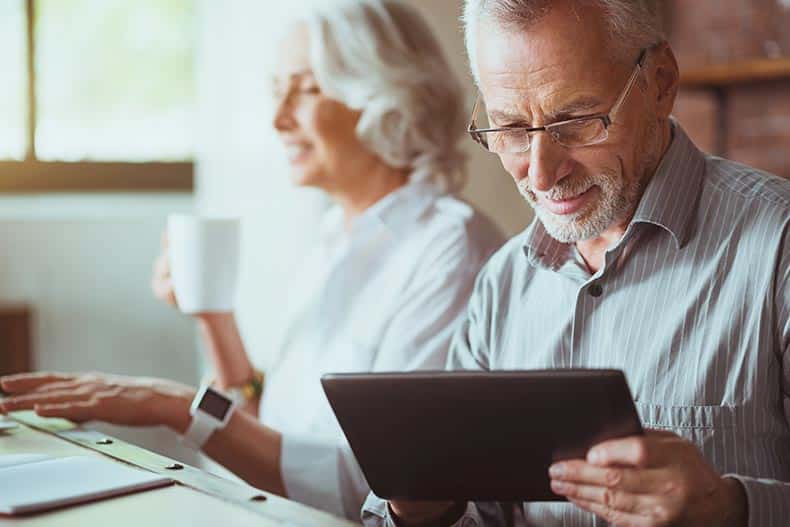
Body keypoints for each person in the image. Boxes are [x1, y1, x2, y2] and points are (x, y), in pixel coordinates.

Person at [0, 0, 503, 520]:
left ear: (387, 96)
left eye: (306, 88)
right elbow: (271, 428)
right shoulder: (336, 234)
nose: (278, 118)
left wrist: (171, 406)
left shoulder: (450, 251)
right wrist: (212, 315)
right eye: (277, 89)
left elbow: (379, 488)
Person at [360, 0, 790, 526]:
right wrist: (426, 509)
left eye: (577, 122)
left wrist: (730, 509)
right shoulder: (502, 285)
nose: (541, 175)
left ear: (660, 82)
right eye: (512, 129)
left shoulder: (779, 250)